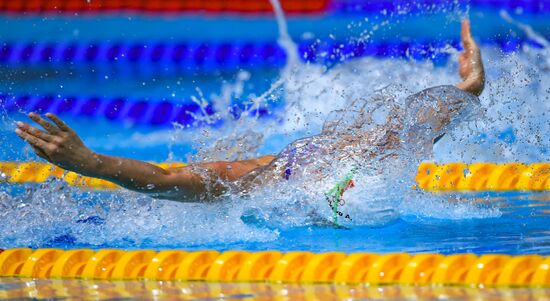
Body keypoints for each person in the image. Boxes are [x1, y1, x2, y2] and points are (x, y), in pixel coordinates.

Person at [15, 20, 485, 202]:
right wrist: (89, 163)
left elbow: (440, 115)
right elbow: (162, 180)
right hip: (263, 173)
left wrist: (472, 84)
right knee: (215, 168)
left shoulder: (378, 154)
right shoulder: (259, 179)